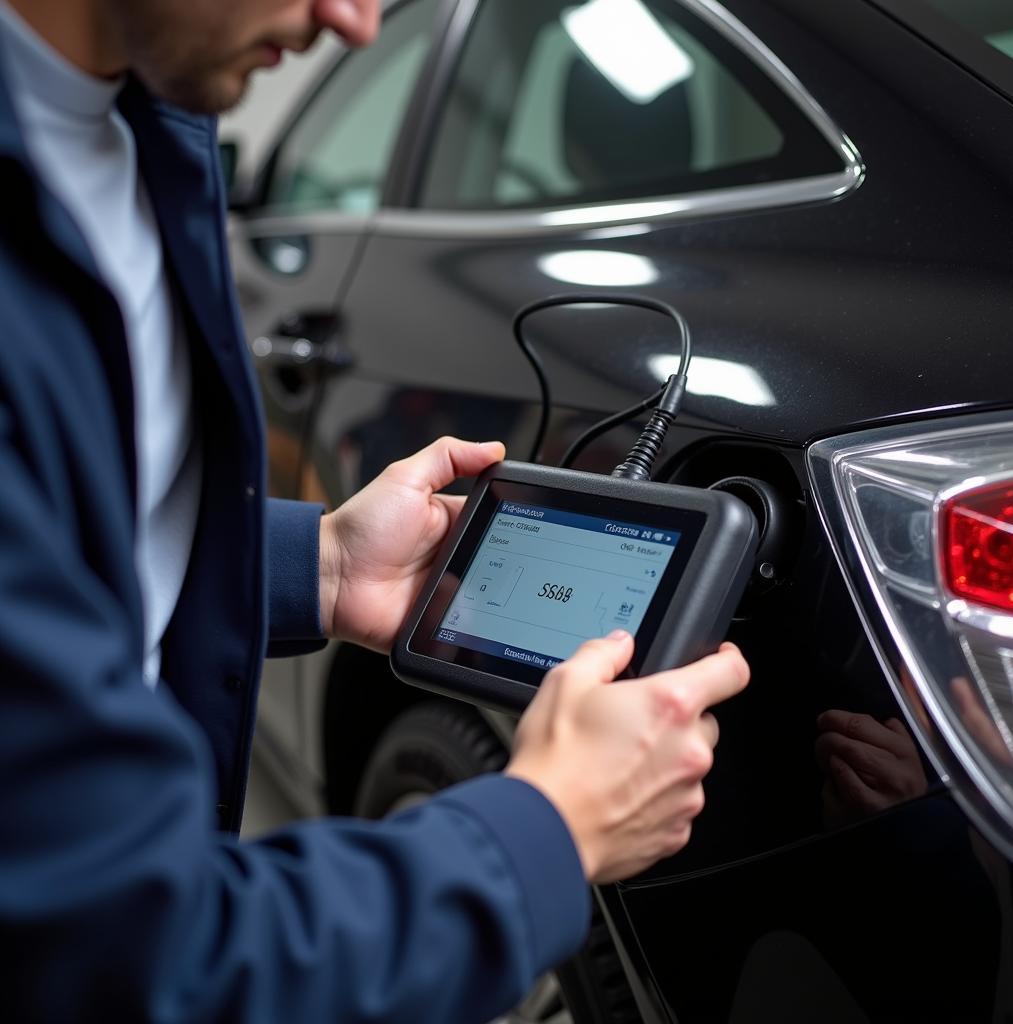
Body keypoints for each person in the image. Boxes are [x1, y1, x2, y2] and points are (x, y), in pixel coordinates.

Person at [0, 1, 750, 1021]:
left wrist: (319, 565)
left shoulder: (136, 136)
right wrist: (550, 827)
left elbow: (61, 537)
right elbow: (127, 957)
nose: (356, 21)